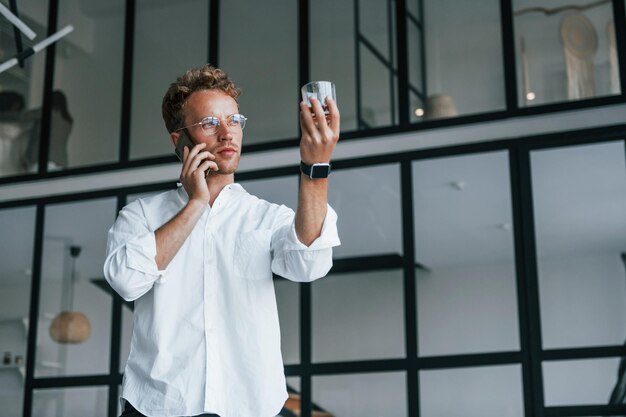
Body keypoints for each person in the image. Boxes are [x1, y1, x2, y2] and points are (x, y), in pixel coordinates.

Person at [104, 64, 341, 417]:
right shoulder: (140, 216)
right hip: (158, 407)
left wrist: (315, 167)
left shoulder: (265, 217)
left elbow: (309, 264)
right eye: (210, 123)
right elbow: (126, 280)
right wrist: (196, 203)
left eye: (234, 120)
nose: (227, 134)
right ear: (178, 139)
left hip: (250, 405)